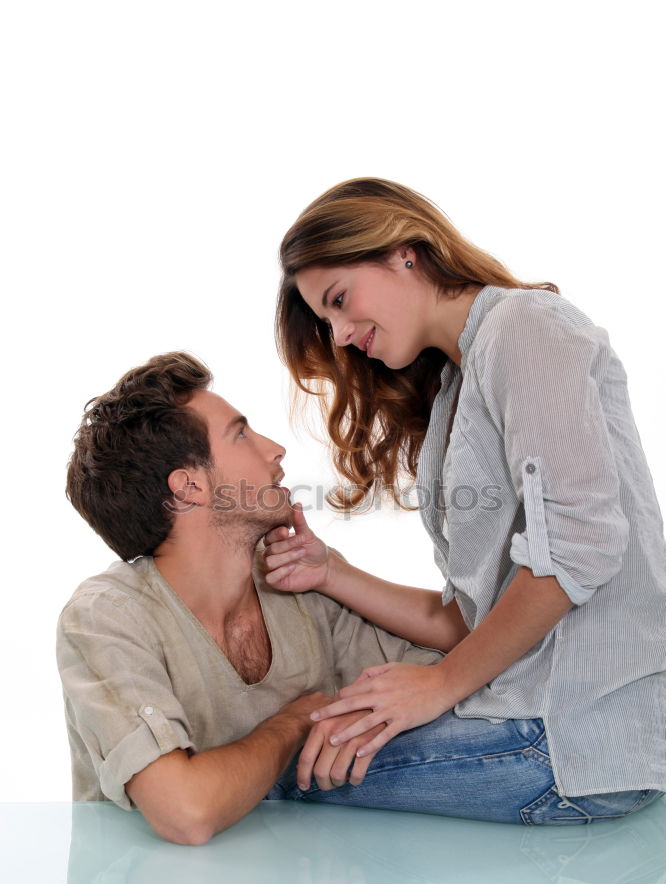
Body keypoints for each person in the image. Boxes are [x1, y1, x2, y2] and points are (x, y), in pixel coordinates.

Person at [263, 176, 666, 824]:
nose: (338, 334)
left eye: (339, 300)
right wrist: (331, 572)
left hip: (572, 741)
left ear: (403, 250)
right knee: (287, 741)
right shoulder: (457, 383)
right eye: (325, 318)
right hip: (533, 716)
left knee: (266, 766)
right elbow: (472, 621)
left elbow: (580, 548)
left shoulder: (524, 326)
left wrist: (440, 685)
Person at [58, 350, 462, 845]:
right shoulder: (105, 618)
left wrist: (338, 580)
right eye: (241, 434)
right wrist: (297, 719)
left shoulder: (292, 579)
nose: (275, 450)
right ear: (189, 487)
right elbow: (186, 812)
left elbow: (470, 659)